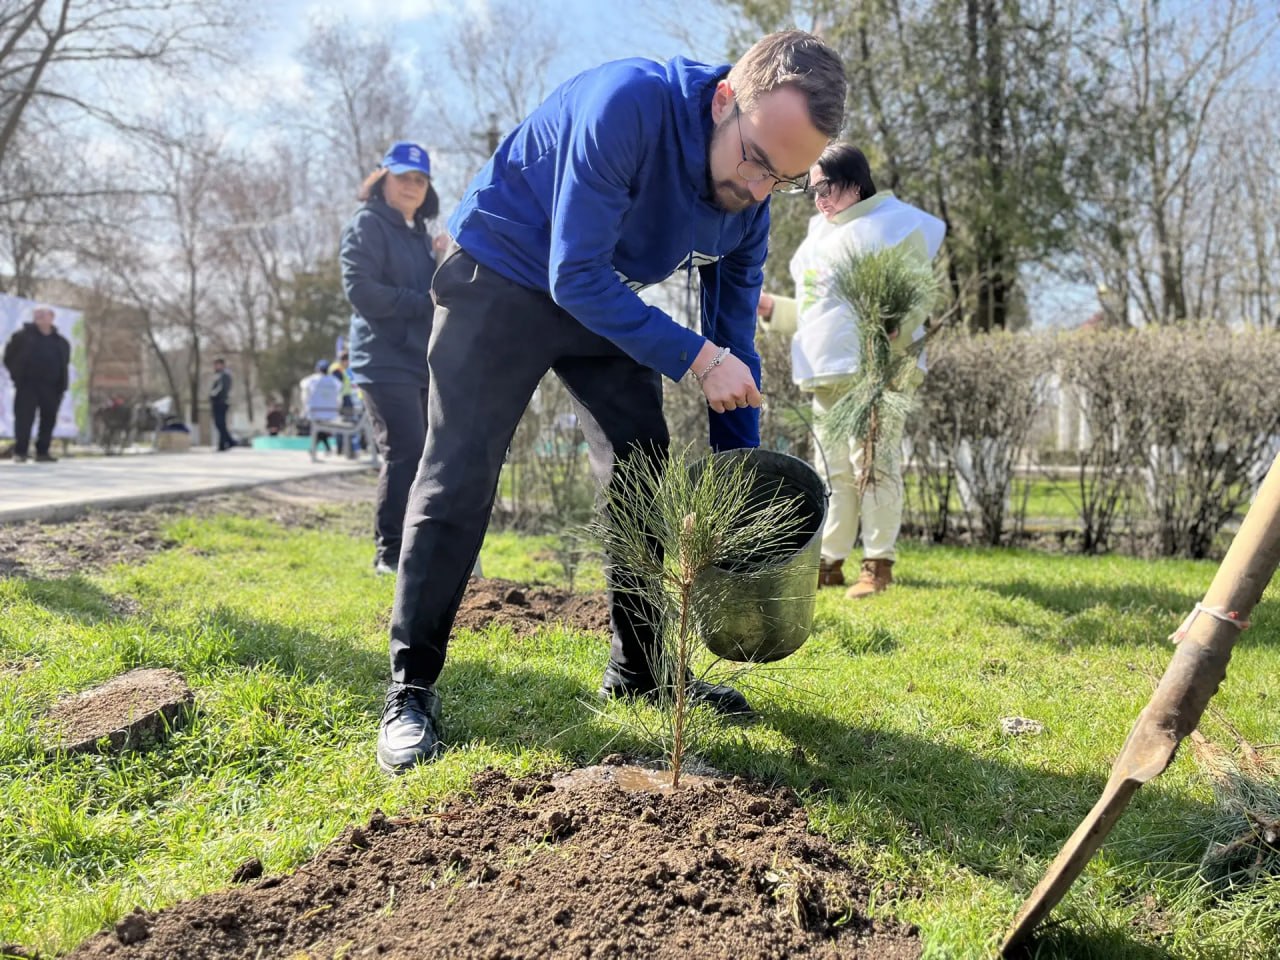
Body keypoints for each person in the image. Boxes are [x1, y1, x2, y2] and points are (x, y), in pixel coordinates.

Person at [375, 31, 847, 773]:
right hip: (501, 272)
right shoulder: (628, 104)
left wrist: (740, 490)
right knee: (461, 468)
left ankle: (641, 670)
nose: (759, 190)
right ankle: (412, 686)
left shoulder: (750, 206)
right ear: (725, 100)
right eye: (756, 160)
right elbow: (576, 276)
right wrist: (695, 357)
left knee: (641, 467)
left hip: (592, 296)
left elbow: (735, 351)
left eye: (783, 179)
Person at [757, 143, 945, 599]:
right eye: (812, 189)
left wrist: (892, 336)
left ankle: (878, 563)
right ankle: (830, 560)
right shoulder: (815, 238)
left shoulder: (897, 224)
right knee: (832, 469)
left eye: (827, 187)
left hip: (878, 369)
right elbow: (812, 312)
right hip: (825, 371)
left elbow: (919, 296)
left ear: (855, 182)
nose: (819, 198)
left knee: (874, 465)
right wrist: (771, 307)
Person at [340, 141, 447, 576]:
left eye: (420, 180)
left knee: (427, 453)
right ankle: (389, 554)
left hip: (420, 361)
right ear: (382, 178)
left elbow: (438, 295)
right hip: (381, 359)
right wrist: (421, 300)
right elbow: (361, 291)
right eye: (403, 177)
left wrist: (442, 259)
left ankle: (417, 549)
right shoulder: (366, 225)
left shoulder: (420, 236)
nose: (412, 186)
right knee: (404, 451)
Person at [3, 306, 70, 463]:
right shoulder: (22, 337)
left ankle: (42, 452)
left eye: (42, 314)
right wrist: (17, 376)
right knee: (24, 419)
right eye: (36, 315)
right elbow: (8, 357)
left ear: (51, 317)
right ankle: (21, 452)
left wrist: (61, 383)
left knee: (48, 419)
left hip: (52, 387)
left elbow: (64, 363)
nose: (38, 317)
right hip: (28, 385)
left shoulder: (60, 341)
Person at [300, 359, 342, 453]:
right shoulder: (334, 381)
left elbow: (303, 387)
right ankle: (324, 448)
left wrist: (305, 408)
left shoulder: (311, 380)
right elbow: (339, 396)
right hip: (331, 413)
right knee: (320, 429)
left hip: (315, 412)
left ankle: (315, 448)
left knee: (318, 428)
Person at [209, 357, 234, 451]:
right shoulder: (219, 375)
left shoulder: (224, 375)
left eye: (217, 364)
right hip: (218, 402)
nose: (215, 366)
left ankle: (230, 441)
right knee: (220, 424)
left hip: (221, 402)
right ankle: (223, 444)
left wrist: (213, 395)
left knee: (220, 423)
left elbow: (221, 389)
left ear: (222, 365)